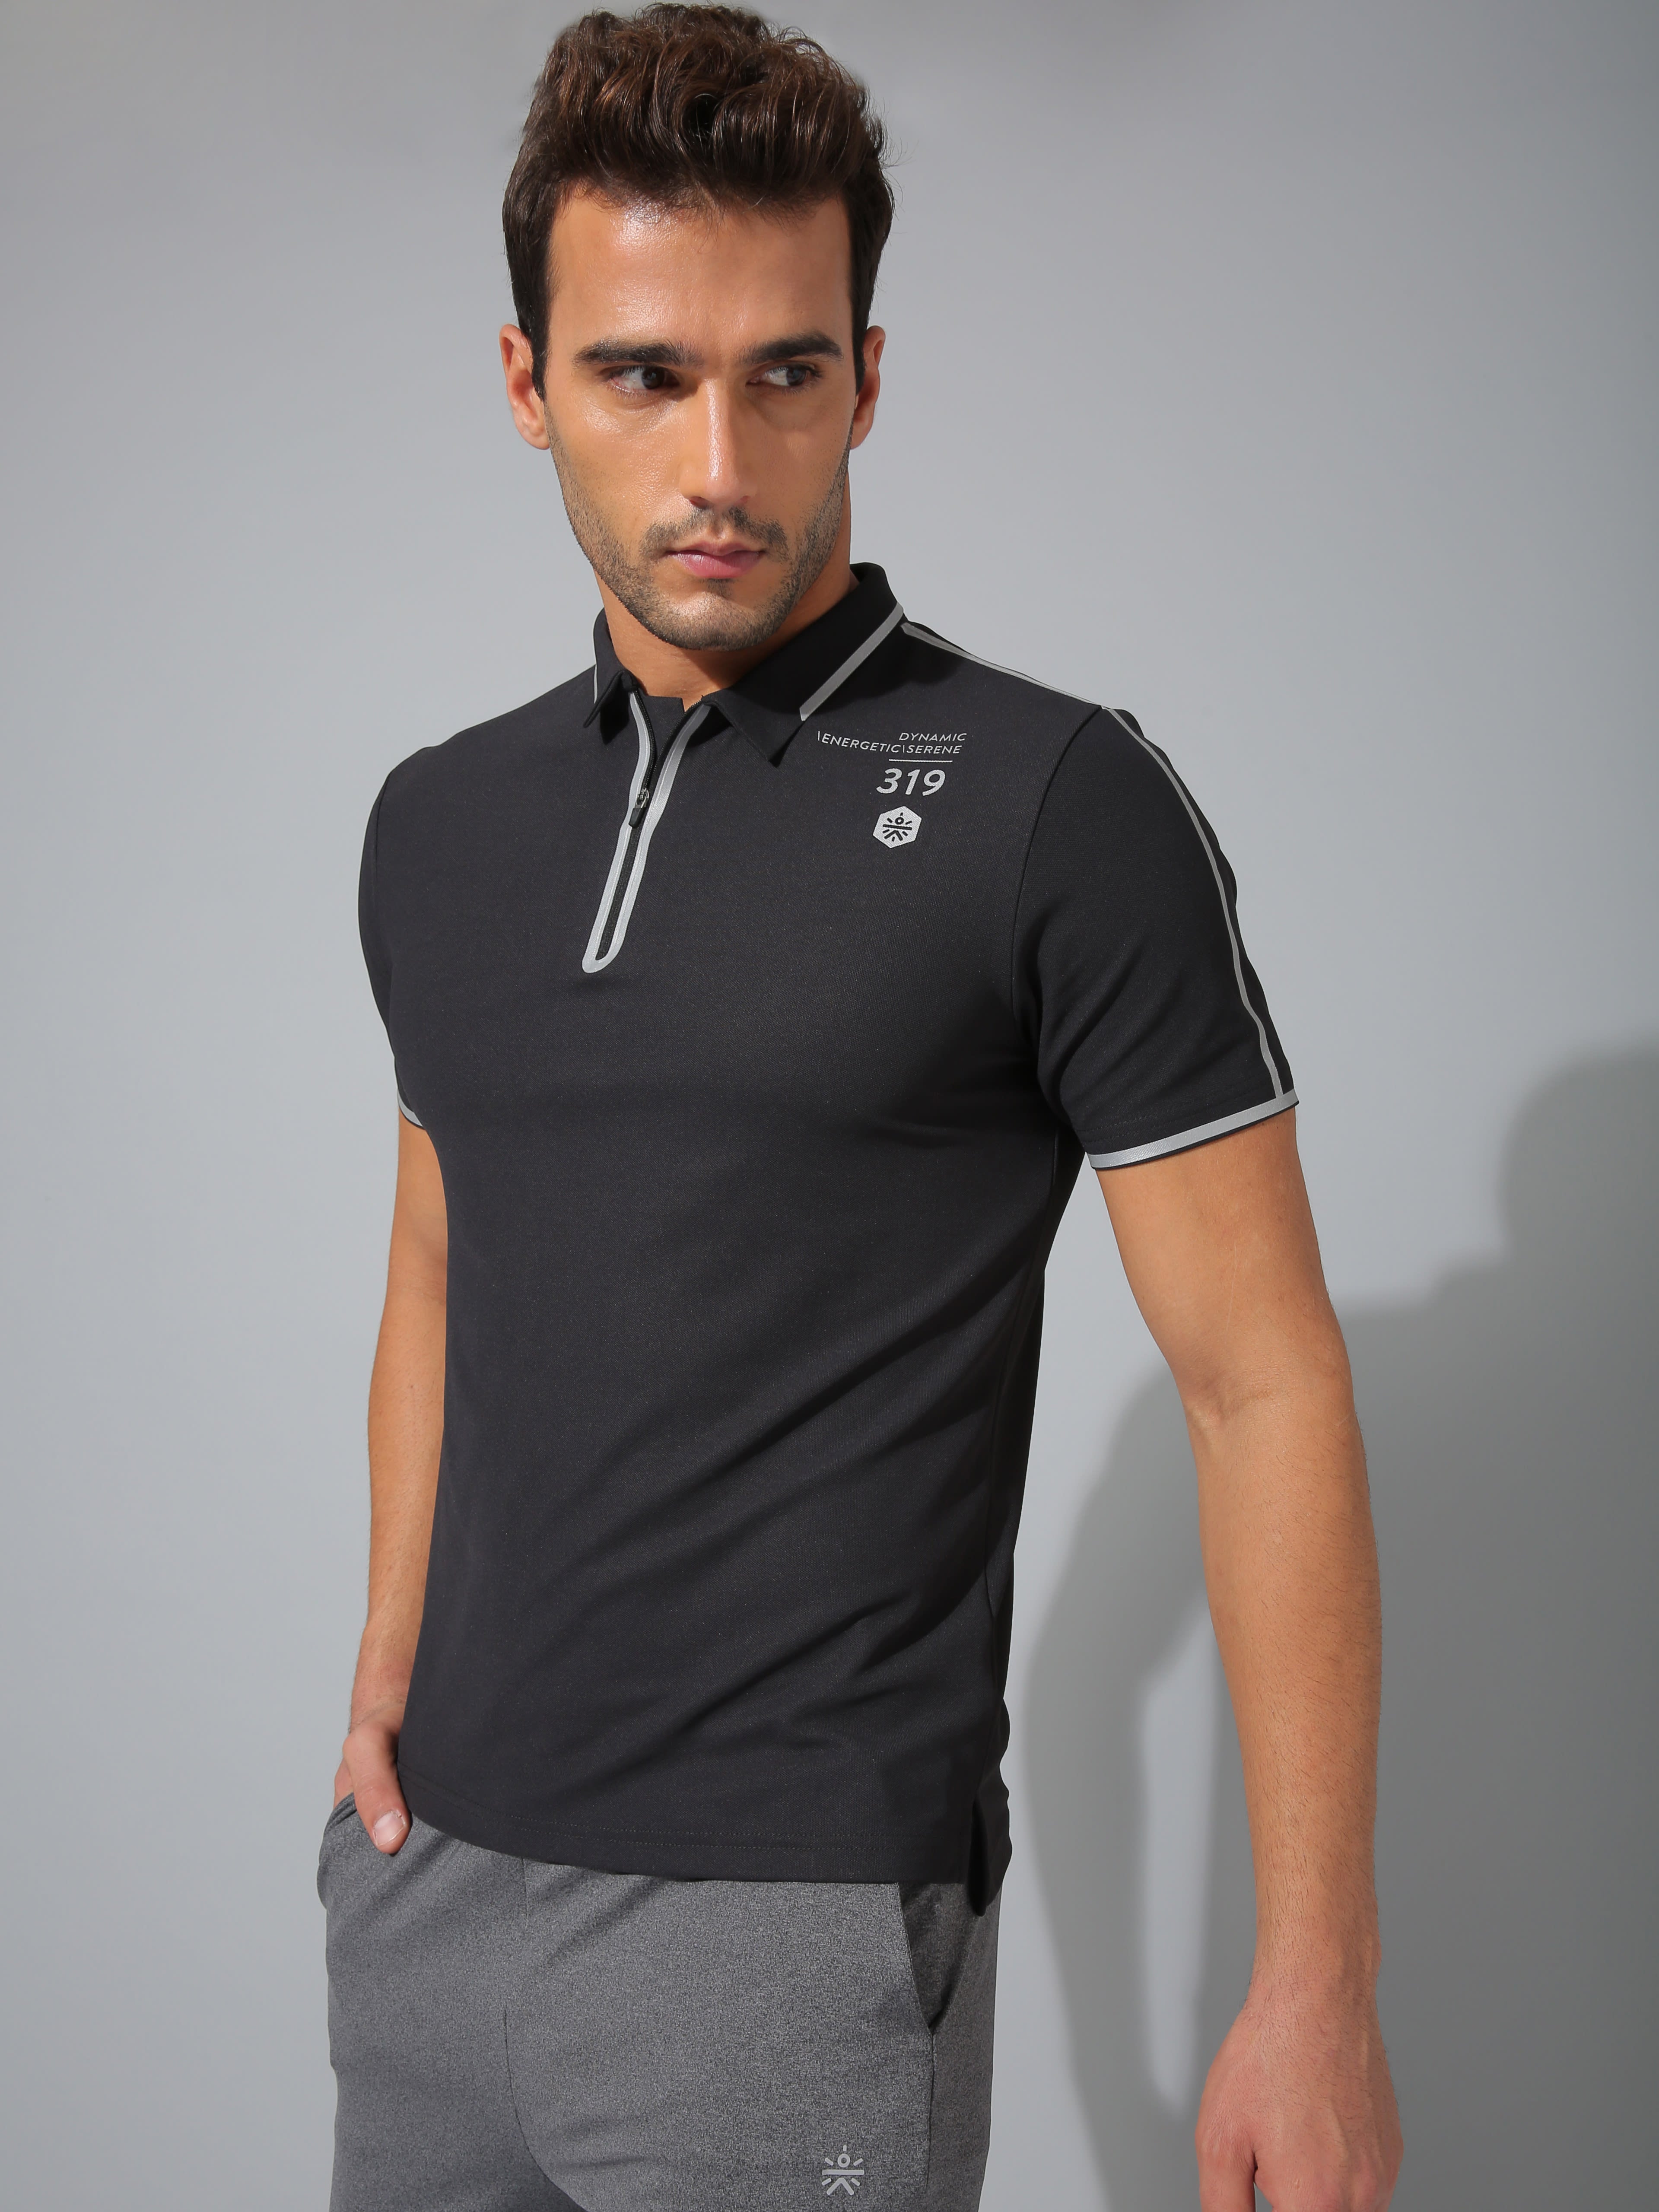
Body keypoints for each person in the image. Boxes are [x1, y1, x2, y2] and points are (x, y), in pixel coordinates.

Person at [319, 8, 1403, 2209]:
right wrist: (384, 1687)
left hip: (786, 1936)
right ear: (527, 381)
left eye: (786, 373)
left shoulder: (1054, 804)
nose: (720, 458)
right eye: (642, 374)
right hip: (429, 1907)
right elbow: (441, 1258)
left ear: (868, 380)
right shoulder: (440, 824)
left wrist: (1317, 1977)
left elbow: (1263, 1381)